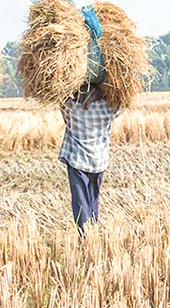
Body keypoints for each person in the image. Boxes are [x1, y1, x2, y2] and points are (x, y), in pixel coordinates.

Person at [58, 84, 122, 232]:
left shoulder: (72, 109)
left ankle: (85, 235)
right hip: (99, 162)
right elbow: (123, 104)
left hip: (77, 161)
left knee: (81, 200)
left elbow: (60, 98)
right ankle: (92, 228)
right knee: (93, 197)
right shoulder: (106, 109)